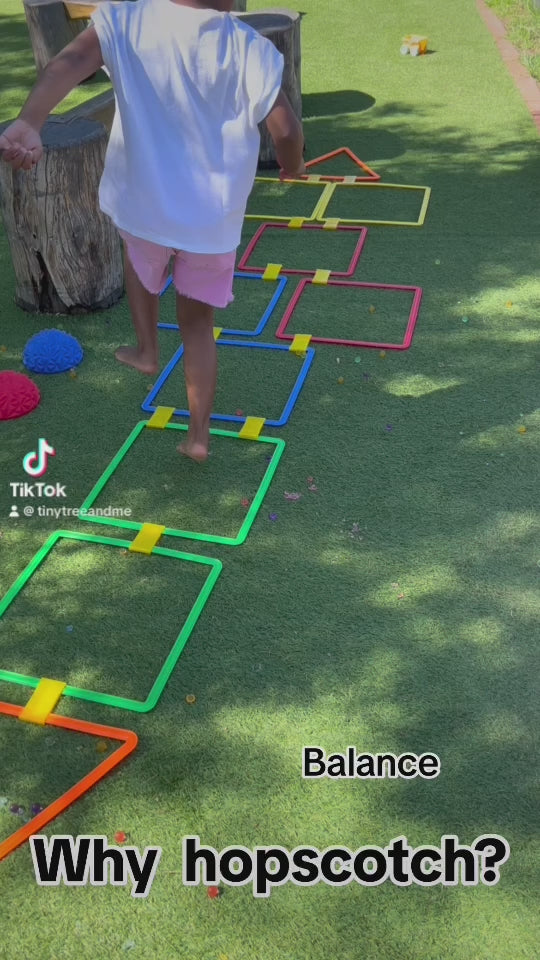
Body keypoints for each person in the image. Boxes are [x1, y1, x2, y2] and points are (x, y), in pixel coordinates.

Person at [0, 0, 305, 462]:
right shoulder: (248, 47)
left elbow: (71, 62)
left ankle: (147, 349)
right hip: (210, 222)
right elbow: (285, 129)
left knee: (139, 258)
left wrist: (30, 120)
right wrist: (293, 165)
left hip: (144, 206)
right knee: (197, 326)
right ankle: (198, 436)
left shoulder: (127, 19)